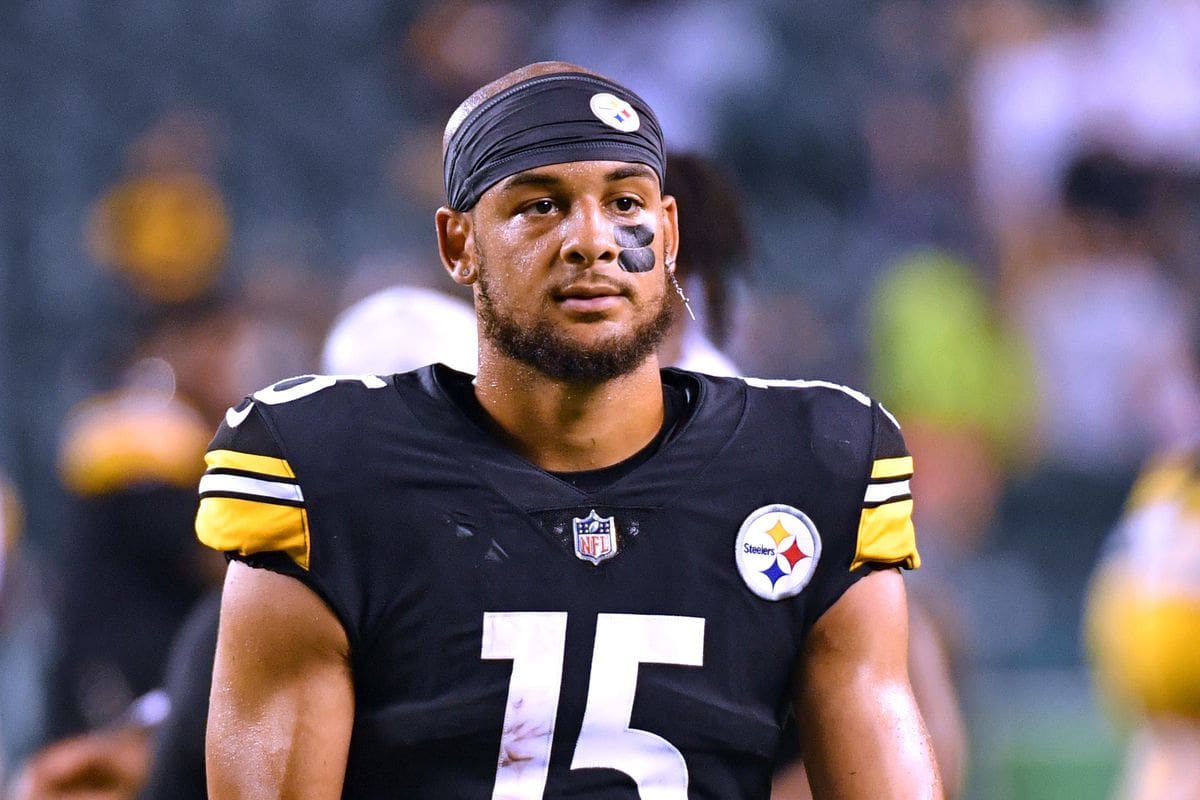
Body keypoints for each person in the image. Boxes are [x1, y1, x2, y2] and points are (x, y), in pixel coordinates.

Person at [197, 61, 941, 798]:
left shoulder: (813, 463)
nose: (593, 240)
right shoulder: (332, 471)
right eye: (540, 206)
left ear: (668, 232)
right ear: (459, 245)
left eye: (625, 202)